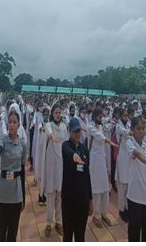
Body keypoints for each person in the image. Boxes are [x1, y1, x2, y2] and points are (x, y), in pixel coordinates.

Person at [0, 110, 27, 242]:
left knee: (12, 233)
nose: (11, 125)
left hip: (16, 193)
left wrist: (24, 197)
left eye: (14, 122)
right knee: (0, 233)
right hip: (2, 191)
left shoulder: (23, 143)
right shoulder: (3, 140)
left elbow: (22, 170)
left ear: (18, 124)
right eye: (9, 122)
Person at [61, 118, 93, 242]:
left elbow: (87, 176)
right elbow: (67, 151)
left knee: (80, 235)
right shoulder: (66, 146)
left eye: (79, 131)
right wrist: (73, 155)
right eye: (74, 131)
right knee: (67, 235)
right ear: (69, 131)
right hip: (68, 199)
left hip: (82, 200)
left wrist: (90, 200)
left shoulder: (84, 149)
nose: (77, 134)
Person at [87, 107, 119, 228]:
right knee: (96, 190)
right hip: (94, 161)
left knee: (105, 189)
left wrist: (109, 119)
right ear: (95, 116)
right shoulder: (91, 127)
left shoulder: (100, 124)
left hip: (102, 160)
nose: (101, 118)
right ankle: (96, 216)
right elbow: (99, 136)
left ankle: (104, 214)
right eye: (99, 117)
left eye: (101, 117)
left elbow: (106, 121)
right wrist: (110, 142)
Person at [44, 103, 68, 237]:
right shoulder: (49, 125)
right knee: (51, 193)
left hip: (61, 163)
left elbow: (65, 144)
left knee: (60, 193)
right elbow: (49, 133)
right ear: (52, 114)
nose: (58, 114)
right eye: (56, 112)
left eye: (59, 112)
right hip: (51, 163)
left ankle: (58, 222)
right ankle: (48, 223)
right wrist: (52, 137)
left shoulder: (64, 127)